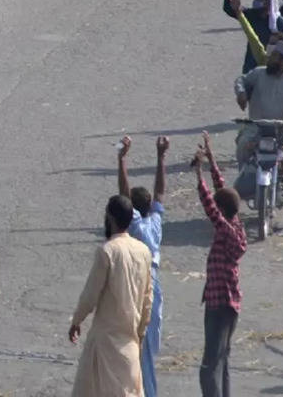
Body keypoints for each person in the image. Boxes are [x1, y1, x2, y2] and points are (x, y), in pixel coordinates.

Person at [68, 195, 154, 397]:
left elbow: (90, 294)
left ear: (110, 218)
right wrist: (139, 334)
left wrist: (76, 321)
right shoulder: (143, 251)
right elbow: (147, 300)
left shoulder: (107, 252)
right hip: (129, 343)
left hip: (105, 344)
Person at [192, 136, 248, 397]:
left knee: (208, 367)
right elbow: (222, 190)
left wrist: (198, 172)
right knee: (222, 361)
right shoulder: (235, 224)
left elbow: (210, 205)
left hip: (219, 304)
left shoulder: (225, 230)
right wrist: (212, 159)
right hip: (229, 303)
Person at [116, 135, 169, 397]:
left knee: (137, 351)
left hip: (137, 288)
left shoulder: (134, 225)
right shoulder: (155, 224)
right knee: (147, 350)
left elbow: (123, 194)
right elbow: (160, 192)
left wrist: (122, 159)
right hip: (154, 288)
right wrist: (160, 156)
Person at [235, 42, 283, 203]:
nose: (269, 59)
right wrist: (241, 93)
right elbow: (241, 80)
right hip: (256, 128)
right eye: (271, 56)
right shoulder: (258, 74)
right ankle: (247, 186)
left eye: (274, 57)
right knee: (242, 147)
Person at [224, 0, 283, 73]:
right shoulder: (252, 15)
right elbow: (230, 9)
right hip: (251, 67)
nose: (255, 2)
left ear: (268, 2)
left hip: (272, 70)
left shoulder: (279, 22)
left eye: (259, 0)